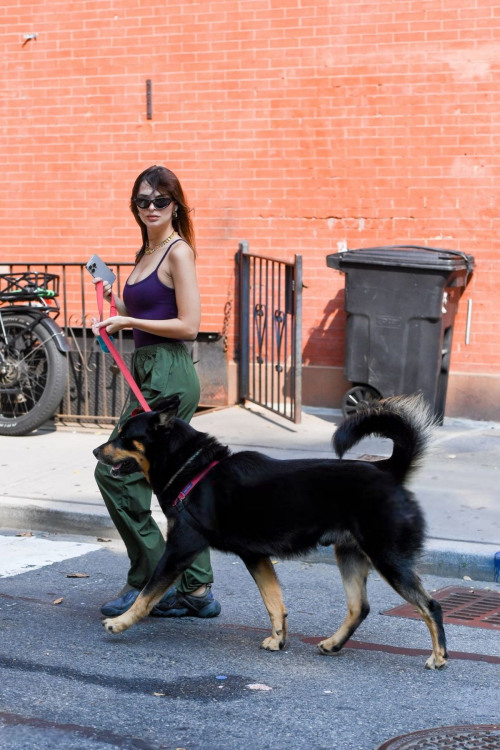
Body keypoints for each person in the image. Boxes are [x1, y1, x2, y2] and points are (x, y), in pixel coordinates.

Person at [92, 165, 221, 619]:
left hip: (168, 372)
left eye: (159, 201)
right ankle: (196, 589)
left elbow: (188, 325)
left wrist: (129, 321)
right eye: (142, 201)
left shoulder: (177, 252)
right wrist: (116, 303)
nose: (150, 208)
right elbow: (147, 309)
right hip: (148, 368)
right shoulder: (147, 250)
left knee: (116, 473)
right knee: (176, 483)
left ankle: (153, 580)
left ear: (176, 205)